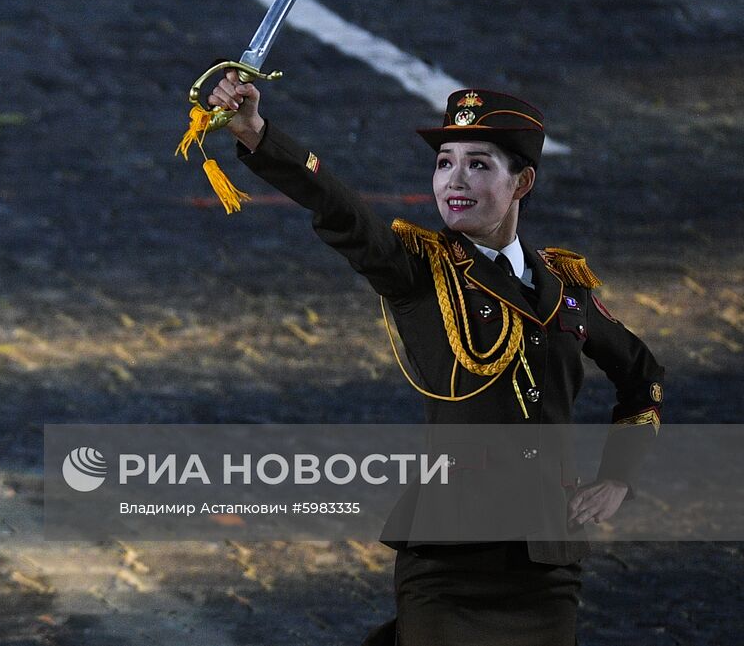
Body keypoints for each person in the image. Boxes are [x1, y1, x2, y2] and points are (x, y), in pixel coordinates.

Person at [206, 75, 664, 645]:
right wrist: (257, 134)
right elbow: (343, 211)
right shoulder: (419, 269)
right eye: (445, 163)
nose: (454, 181)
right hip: (448, 556)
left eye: (478, 165)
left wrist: (618, 477)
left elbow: (643, 378)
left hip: (545, 561)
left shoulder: (565, 289)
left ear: (522, 182)